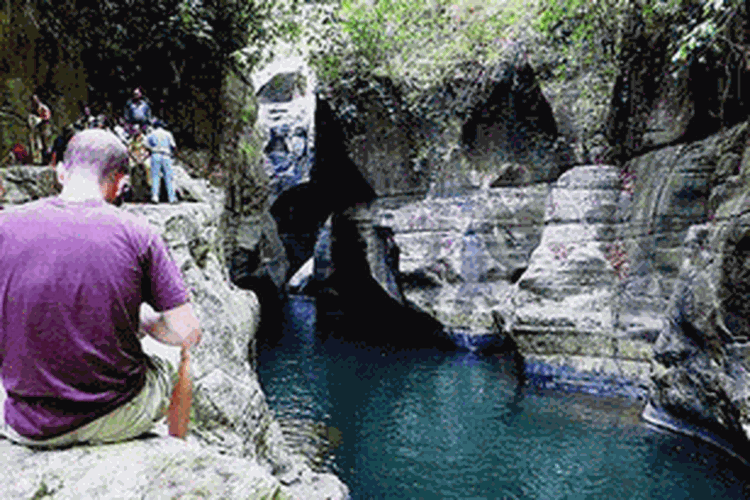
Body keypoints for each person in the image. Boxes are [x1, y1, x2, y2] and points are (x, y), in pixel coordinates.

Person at [0, 129, 202, 448]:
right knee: (182, 352)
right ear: (120, 183)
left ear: (61, 172)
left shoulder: (5, 225)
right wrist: (145, 321)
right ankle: (178, 448)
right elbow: (187, 332)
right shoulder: (139, 233)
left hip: (28, 425)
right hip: (115, 417)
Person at [146, 119, 177, 204]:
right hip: (166, 155)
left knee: (155, 176)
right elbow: (173, 145)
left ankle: (155, 197)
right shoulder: (168, 134)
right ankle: (172, 198)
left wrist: (152, 148)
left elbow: (146, 144)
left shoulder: (152, 134)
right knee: (168, 177)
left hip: (155, 154)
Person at [28, 94, 52, 165]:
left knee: (46, 143)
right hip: (39, 127)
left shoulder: (43, 108)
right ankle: (43, 160)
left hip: (45, 126)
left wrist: (40, 119)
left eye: (35, 100)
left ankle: (48, 159)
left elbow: (47, 116)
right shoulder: (34, 109)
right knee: (40, 144)